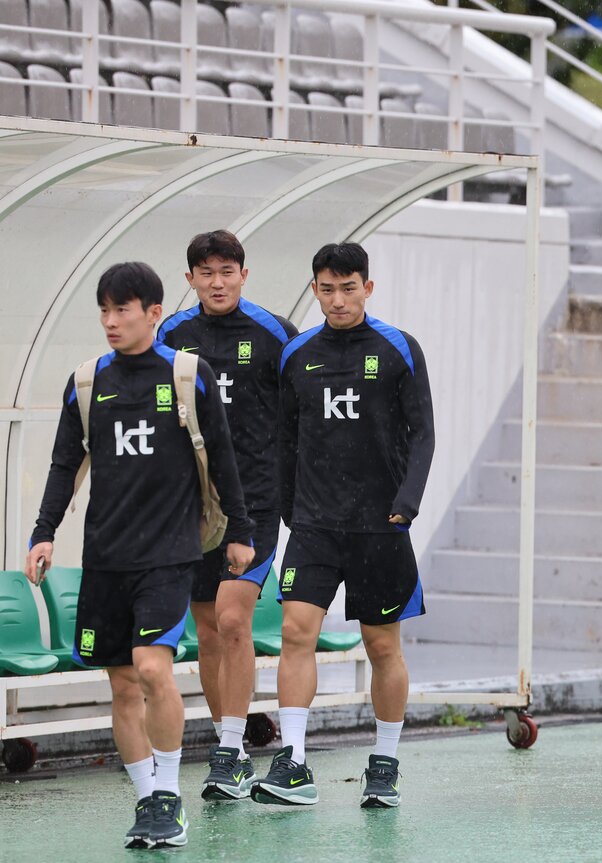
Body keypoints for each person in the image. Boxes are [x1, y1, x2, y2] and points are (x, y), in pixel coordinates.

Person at [26, 262, 256, 849]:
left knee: (153, 668)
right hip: (105, 556)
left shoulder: (187, 375)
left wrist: (240, 529)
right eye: (104, 310)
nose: (111, 321)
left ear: (153, 314)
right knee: (124, 686)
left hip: (169, 554)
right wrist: (43, 532)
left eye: (122, 310)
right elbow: (63, 464)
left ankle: (170, 796)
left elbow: (223, 456)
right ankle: (147, 797)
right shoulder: (86, 382)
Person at [255, 242, 434, 809]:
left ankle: (385, 763)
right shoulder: (297, 353)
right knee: (294, 632)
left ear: (367, 288)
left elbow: (423, 434)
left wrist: (407, 503)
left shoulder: (399, 348)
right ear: (315, 290)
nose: (337, 300)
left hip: (380, 526)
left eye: (348, 288)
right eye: (327, 289)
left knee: (381, 645)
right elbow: (285, 437)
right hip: (314, 524)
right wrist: (289, 507)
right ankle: (294, 762)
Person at [156, 230, 297, 801]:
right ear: (190, 279)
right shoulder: (171, 335)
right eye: (206, 273)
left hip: (256, 501)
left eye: (227, 271)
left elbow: (300, 411)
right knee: (209, 627)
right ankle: (231, 750)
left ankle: (230, 747)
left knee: (234, 618)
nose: (217, 283)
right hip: (192, 505)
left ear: (244, 274)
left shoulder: (275, 333)